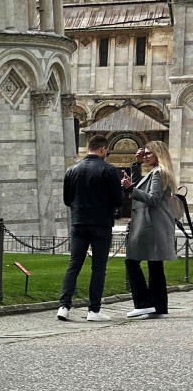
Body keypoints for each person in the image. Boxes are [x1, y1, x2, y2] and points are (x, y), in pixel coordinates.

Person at [57, 133, 123, 323]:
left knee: (74, 264)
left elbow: (67, 199)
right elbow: (118, 201)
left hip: (78, 221)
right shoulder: (109, 170)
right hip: (101, 223)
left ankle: (64, 306)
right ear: (102, 149)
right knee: (98, 267)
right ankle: (93, 310)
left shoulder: (71, 170)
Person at [120, 141, 178, 318]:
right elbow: (139, 188)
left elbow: (152, 199)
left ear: (157, 154)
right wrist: (136, 165)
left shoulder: (159, 173)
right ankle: (159, 307)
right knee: (154, 265)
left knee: (132, 261)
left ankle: (143, 303)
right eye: (143, 153)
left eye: (147, 154)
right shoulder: (155, 172)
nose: (144, 156)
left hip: (150, 225)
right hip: (152, 224)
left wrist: (130, 188)